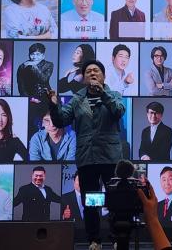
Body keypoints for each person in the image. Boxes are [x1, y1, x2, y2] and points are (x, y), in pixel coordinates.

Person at [48, 59, 125, 248]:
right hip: (87, 158)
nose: (92, 73)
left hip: (109, 157)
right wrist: (54, 105)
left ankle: (117, 238)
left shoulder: (114, 95)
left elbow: (118, 112)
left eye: (96, 70)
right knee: (91, 201)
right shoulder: (77, 99)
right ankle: (94, 240)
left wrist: (103, 93)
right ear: (83, 78)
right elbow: (61, 121)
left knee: (115, 200)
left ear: (103, 76)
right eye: (88, 71)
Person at [137, 180, 172, 250]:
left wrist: (152, 218)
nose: (167, 183)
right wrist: (152, 219)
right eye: (164, 179)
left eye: (170, 179)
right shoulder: (160, 203)